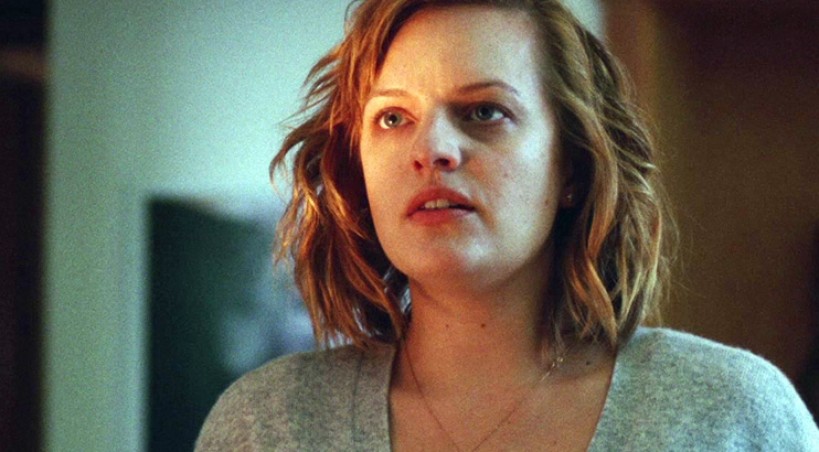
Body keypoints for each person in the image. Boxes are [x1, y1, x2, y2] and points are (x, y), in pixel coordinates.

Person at [195, 0, 819, 450]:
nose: (431, 149)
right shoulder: (269, 425)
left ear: (573, 164)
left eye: (483, 112)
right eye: (392, 118)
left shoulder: (729, 416)